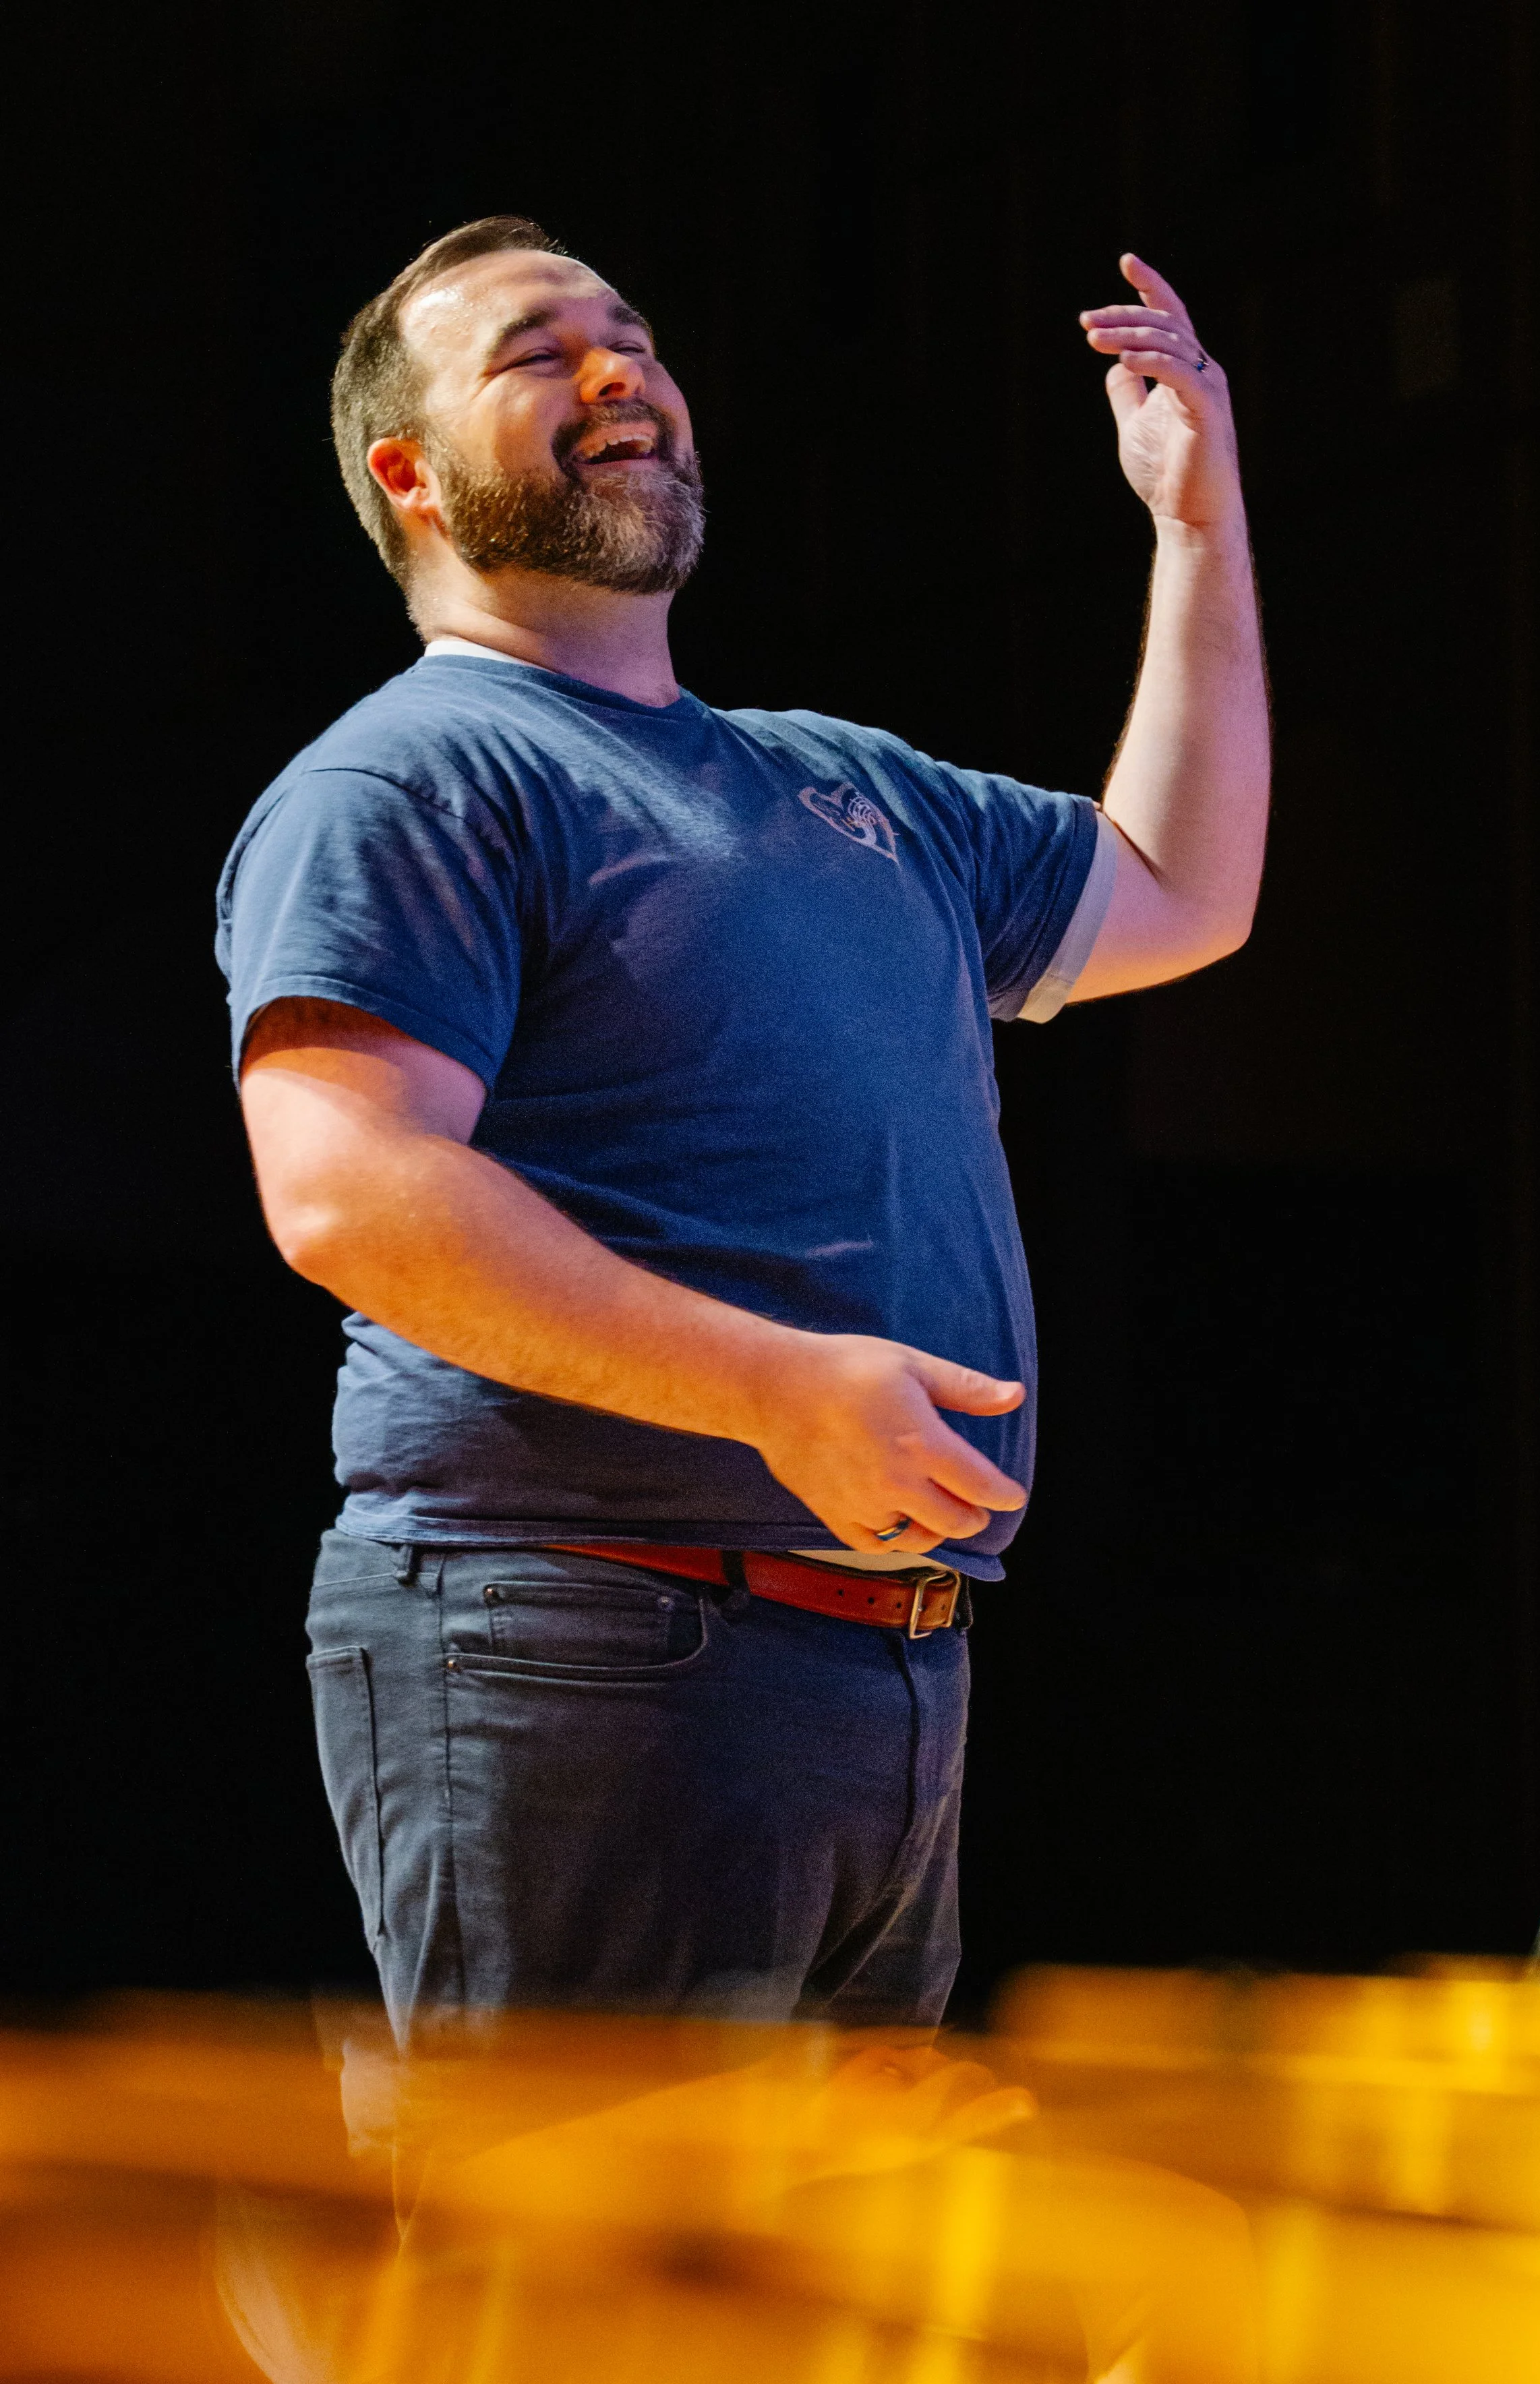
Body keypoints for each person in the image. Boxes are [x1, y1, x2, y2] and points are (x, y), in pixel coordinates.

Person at [217, 214, 1268, 2039]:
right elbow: (345, 1192)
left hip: (882, 1659)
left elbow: (1181, 888)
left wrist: (1195, 521)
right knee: (589, 2306)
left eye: (634, 333)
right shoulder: (417, 772)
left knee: (818, 2309)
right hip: (572, 1637)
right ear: (412, 477)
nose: (621, 374)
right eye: (540, 353)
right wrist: (772, 1387)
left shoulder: (846, 781)